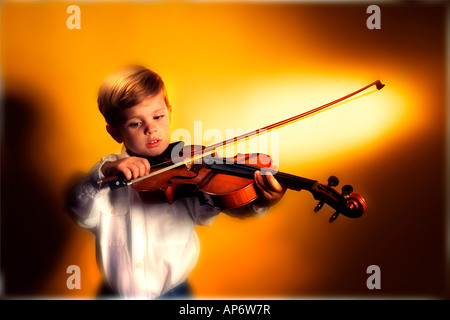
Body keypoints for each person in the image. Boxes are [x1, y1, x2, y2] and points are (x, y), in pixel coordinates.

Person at [66, 65, 286, 299]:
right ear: (115, 132)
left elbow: (226, 202)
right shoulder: (106, 175)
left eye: (158, 117)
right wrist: (103, 173)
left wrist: (260, 201)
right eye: (135, 123)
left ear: (169, 112)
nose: (151, 129)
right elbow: (77, 208)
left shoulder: (190, 168)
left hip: (174, 294)